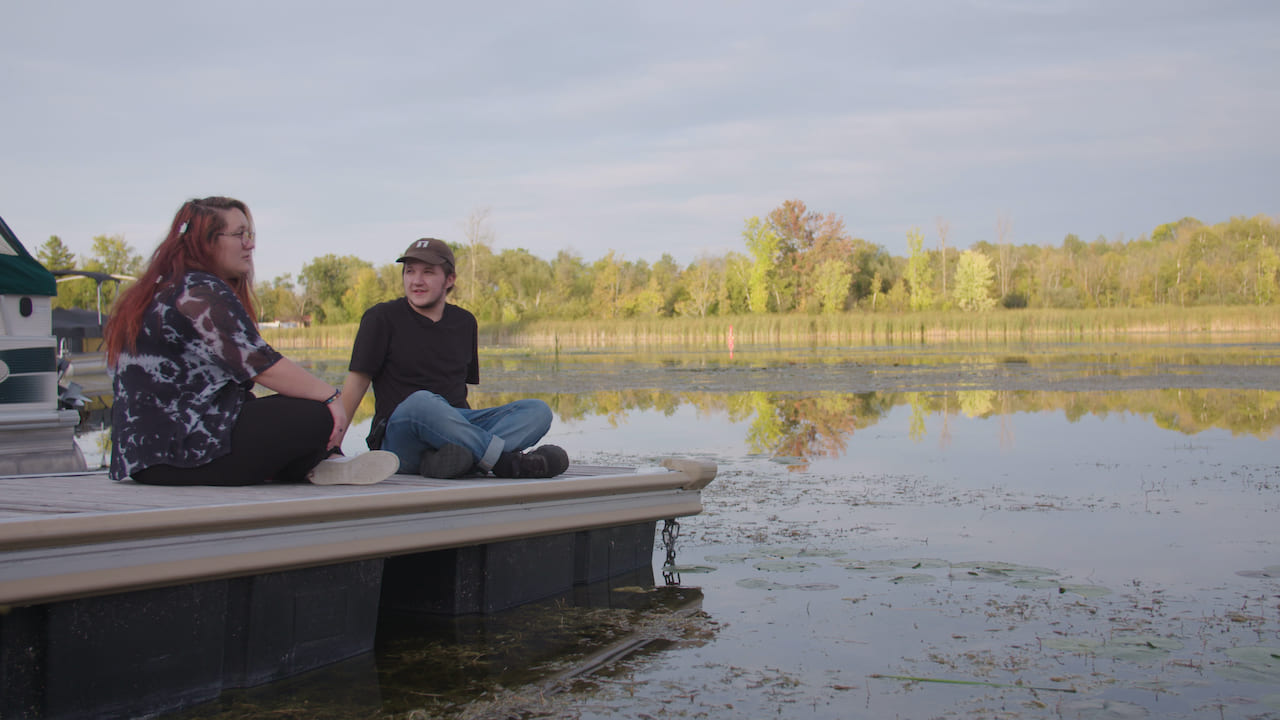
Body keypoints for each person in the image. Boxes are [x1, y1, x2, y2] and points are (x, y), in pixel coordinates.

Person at [103, 196, 399, 486]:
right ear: (206, 241)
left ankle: (320, 462)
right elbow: (261, 365)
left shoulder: (163, 289)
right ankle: (316, 462)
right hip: (180, 455)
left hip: (145, 457)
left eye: (250, 234)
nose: (250, 244)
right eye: (239, 234)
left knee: (286, 414)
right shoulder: (200, 291)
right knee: (316, 416)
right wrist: (332, 398)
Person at [337, 237, 568, 479]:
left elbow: (458, 392)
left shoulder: (464, 322)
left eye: (428, 272)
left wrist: (462, 432)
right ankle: (503, 461)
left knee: (537, 411)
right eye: (409, 272)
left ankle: (457, 460)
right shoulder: (380, 318)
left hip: (454, 434)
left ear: (450, 280)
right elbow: (356, 384)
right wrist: (331, 448)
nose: (416, 280)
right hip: (400, 437)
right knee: (422, 403)